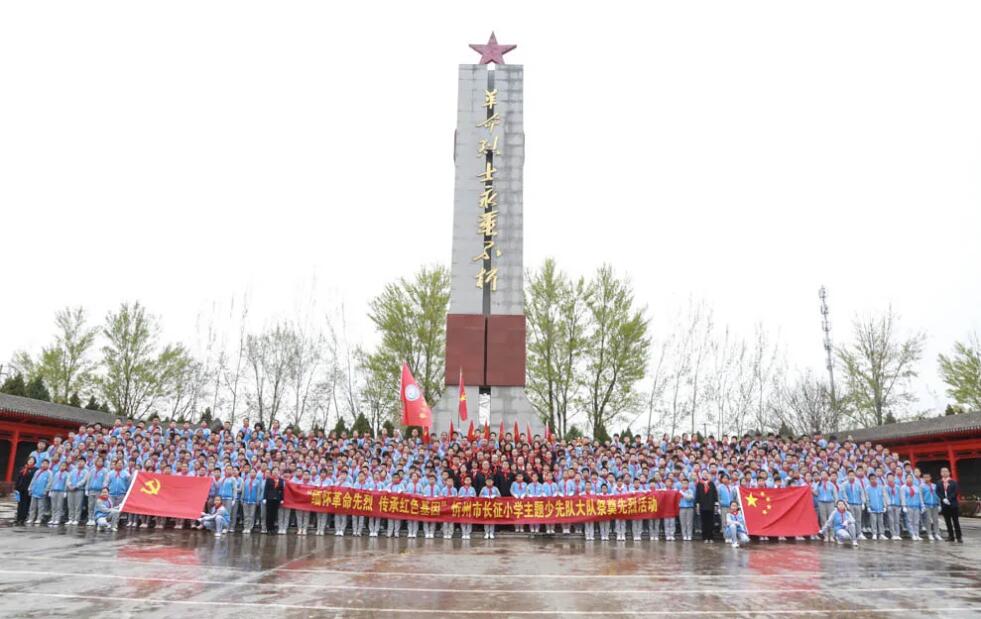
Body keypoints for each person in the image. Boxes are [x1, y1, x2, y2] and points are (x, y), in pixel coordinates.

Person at [936, 467, 962, 542]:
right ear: (941, 473)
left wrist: (949, 499)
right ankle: (951, 536)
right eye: (943, 471)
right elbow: (937, 492)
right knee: (947, 522)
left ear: (949, 472)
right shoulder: (939, 482)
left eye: (946, 471)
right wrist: (943, 499)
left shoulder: (953, 482)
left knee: (955, 521)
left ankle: (959, 537)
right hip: (944, 505)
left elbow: (956, 492)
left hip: (953, 504)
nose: (944, 473)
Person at [694, 471, 717, 543]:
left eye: (706, 473)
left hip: (711, 505)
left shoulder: (711, 483)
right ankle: (705, 537)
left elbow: (715, 494)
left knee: (711, 522)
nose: (705, 474)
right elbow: (697, 494)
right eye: (703, 473)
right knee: (704, 522)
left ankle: (711, 537)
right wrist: (697, 503)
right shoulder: (699, 484)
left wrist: (716, 503)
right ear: (701, 475)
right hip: (702, 505)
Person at [27, 459, 52, 525]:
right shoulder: (38, 471)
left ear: (48, 465)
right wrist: (30, 488)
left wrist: (46, 490)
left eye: (46, 464)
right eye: (43, 463)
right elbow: (33, 480)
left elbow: (49, 483)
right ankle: (31, 518)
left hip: (42, 492)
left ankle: (39, 518)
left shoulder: (49, 473)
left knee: (41, 507)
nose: (44, 465)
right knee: (32, 506)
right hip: (34, 491)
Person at [14, 458, 37, 526]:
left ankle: (23, 518)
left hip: (28, 489)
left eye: (32, 460)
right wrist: (16, 488)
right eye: (29, 460)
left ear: (34, 462)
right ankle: (18, 517)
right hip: (20, 489)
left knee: (26, 504)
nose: (30, 461)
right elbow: (18, 478)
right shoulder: (23, 468)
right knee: (20, 504)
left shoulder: (35, 470)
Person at [66, 458, 89, 526]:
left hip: (79, 490)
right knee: (70, 505)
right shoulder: (73, 471)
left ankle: (76, 519)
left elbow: (84, 480)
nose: (80, 463)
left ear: (85, 463)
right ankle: (70, 519)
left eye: (82, 462)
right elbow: (68, 479)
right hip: (70, 489)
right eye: (79, 461)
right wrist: (69, 485)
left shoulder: (86, 471)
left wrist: (76, 486)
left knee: (78, 505)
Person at [900, 475, 924, 541]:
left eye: (911, 478)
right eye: (908, 478)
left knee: (916, 521)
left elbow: (920, 497)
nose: (909, 479)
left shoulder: (916, 487)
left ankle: (917, 534)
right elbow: (903, 497)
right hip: (908, 506)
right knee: (909, 521)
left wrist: (922, 505)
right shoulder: (903, 487)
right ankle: (912, 534)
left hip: (916, 506)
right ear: (905, 479)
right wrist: (904, 506)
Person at [921, 473, 942, 541]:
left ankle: (937, 533)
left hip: (935, 505)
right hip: (927, 505)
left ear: (930, 478)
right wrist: (922, 505)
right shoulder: (922, 486)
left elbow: (938, 495)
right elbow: (921, 496)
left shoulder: (934, 486)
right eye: (925, 477)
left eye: (927, 477)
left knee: (936, 520)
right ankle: (929, 534)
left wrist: (939, 504)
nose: (926, 479)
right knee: (928, 520)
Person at [865, 474, 887, 540]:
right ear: (869, 480)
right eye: (871, 479)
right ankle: (874, 534)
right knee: (873, 521)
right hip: (872, 508)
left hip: (880, 507)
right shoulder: (867, 488)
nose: (873, 480)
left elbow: (884, 497)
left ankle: (881, 534)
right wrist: (868, 506)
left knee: (881, 521)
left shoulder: (881, 487)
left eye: (874, 479)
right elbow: (867, 498)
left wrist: (884, 506)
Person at [47, 461, 70, 526]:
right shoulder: (56, 473)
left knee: (59, 506)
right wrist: (50, 490)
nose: (62, 467)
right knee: (53, 505)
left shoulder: (67, 474)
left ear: (66, 467)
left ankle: (57, 519)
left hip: (61, 491)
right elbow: (53, 482)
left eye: (64, 466)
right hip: (54, 490)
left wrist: (65, 491)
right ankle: (53, 518)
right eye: (61, 465)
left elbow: (66, 483)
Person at [264, 468, 285, 534]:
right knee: (269, 514)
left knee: (274, 514)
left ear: (279, 472)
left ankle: (273, 528)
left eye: (277, 471)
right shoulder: (269, 479)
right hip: (269, 498)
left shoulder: (281, 480)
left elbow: (282, 490)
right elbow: (266, 489)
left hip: (277, 499)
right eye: (274, 471)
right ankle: (268, 529)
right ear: (272, 472)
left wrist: (282, 499)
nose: (275, 472)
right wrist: (264, 498)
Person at [457, 475, 476, 540]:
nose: (467, 481)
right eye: (466, 480)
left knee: (469, 519)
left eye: (469, 480)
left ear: (471, 481)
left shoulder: (472, 489)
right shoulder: (461, 488)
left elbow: (475, 497)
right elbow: (458, 496)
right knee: (463, 519)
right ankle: (464, 532)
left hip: (470, 505)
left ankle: (468, 533)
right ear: (464, 481)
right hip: (463, 506)